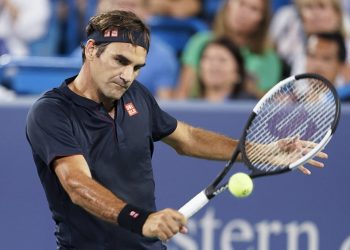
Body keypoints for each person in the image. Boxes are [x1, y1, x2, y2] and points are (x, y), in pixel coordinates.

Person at [26, 10, 326, 250]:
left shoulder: (136, 95)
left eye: (137, 67)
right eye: (121, 61)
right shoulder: (51, 112)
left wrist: (261, 151)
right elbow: (77, 184)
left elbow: (187, 138)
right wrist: (141, 220)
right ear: (91, 50)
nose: (127, 76)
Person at [174, 0, 284, 99]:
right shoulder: (200, 42)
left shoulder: (268, 58)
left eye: (253, 9)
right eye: (241, 3)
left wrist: (249, 87)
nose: (243, 13)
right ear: (228, 5)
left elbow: (265, 105)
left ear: (262, 19)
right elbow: (183, 93)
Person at [196, 37, 255, 101]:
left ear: (238, 72)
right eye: (209, 59)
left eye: (222, 60)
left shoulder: (250, 106)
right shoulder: (189, 107)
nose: (214, 65)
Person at [304, 32, 350, 101]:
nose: (317, 64)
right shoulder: (289, 97)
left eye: (326, 58)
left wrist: (322, 99)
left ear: (341, 66)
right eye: (312, 56)